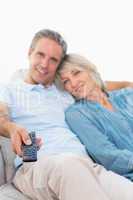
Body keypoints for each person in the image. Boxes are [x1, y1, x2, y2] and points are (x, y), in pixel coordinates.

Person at [0, 29, 133, 200]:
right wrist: (11, 128)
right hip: (38, 166)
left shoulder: (65, 91)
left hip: (86, 166)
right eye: (40, 54)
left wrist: (127, 83)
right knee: (69, 166)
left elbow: (97, 83)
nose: (45, 64)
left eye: (53, 60)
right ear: (29, 53)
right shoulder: (9, 89)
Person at [57, 53, 133, 183]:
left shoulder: (126, 95)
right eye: (66, 81)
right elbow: (107, 155)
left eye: (76, 73)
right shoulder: (76, 114)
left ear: (90, 70)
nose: (74, 83)